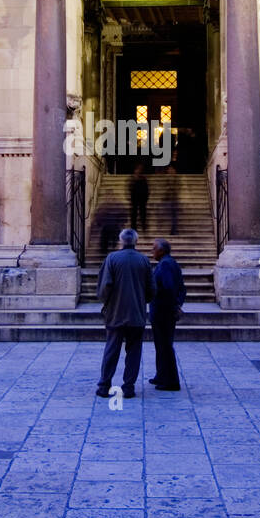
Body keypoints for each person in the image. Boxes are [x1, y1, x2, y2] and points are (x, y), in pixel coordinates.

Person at [96, 228, 153, 399]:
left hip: (115, 313)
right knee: (134, 351)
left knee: (111, 349)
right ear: (136, 241)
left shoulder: (112, 258)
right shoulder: (144, 260)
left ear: (121, 241)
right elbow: (151, 289)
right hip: (136, 314)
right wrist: (142, 301)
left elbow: (105, 286)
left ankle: (105, 385)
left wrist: (106, 302)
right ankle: (129, 387)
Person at [148, 238, 186, 391]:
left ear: (161, 251)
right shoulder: (170, 263)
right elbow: (182, 288)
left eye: (154, 249)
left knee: (165, 346)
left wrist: (173, 306)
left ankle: (171, 381)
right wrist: (178, 304)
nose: (152, 252)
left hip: (163, 312)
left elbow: (169, 288)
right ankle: (161, 375)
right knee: (161, 345)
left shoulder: (165, 265)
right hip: (165, 310)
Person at [129, 163, 149, 232]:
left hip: (141, 199)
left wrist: (146, 198)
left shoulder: (143, 179)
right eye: (137, 170)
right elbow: (130, 189)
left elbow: (146, 190)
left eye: (139, 170)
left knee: (142, 213)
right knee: (134, 213)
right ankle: (134, 227)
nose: (137, 171)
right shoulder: (133, 179)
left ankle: (143, 226)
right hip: (135, 199)